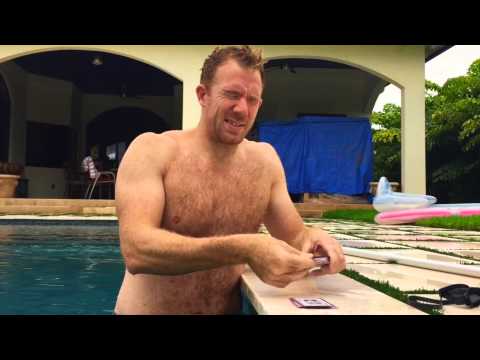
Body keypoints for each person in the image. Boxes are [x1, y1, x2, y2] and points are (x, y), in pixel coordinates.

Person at [114, 46, 345, 315]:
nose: (241, 109)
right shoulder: (154, 151)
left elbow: (294, 236)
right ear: (203, 95)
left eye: (252, 99)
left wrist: (316, 240)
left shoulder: (265, 162)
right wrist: (246, 248)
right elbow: (137, 250)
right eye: (232, 95)